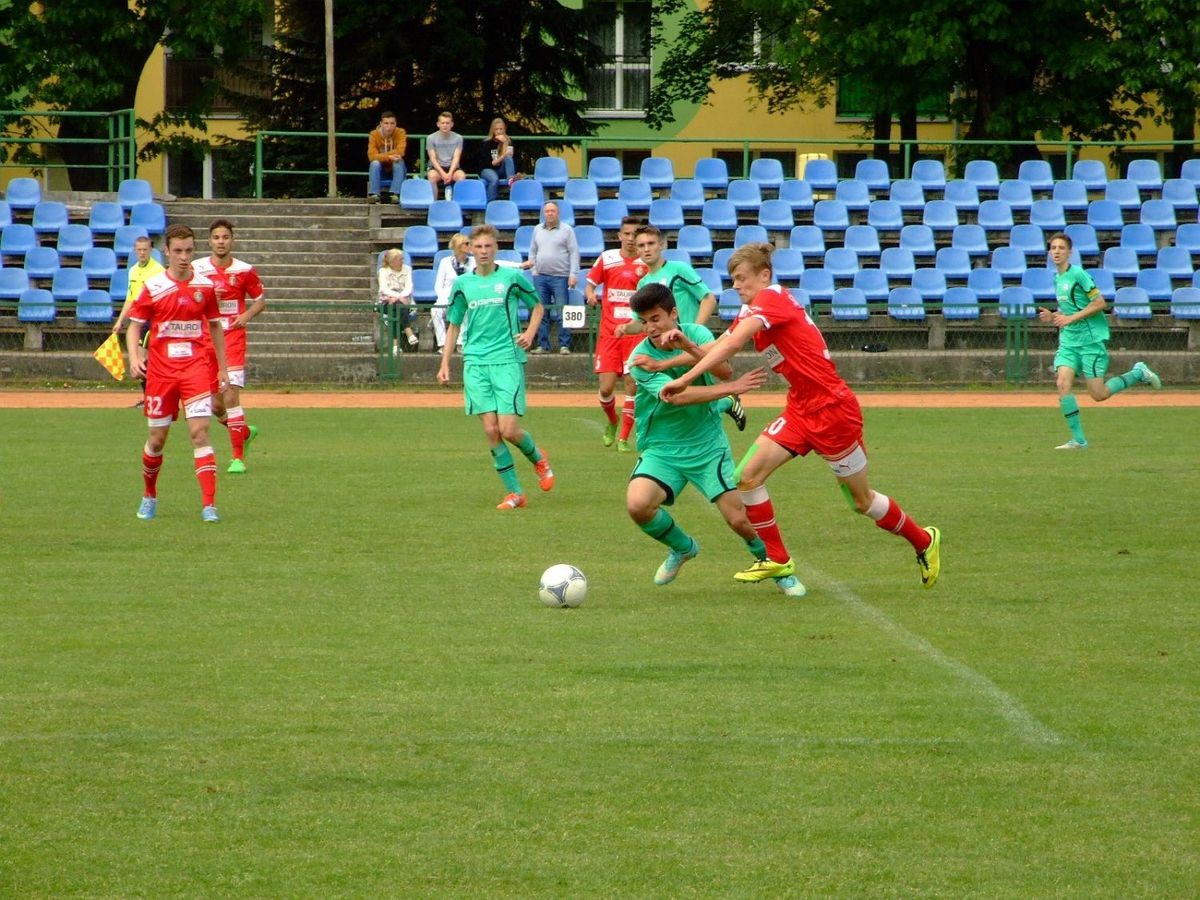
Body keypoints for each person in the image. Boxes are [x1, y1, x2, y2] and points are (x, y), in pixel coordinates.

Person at [659, 243, 942, 593]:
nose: (736, 286)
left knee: (861, 501)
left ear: (765, 276)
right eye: (733, 280)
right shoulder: (753, 311)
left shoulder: (771, 299)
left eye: (742, 278)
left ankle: (923, 539)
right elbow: (720, 351)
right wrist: (688, 345)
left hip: (833, 411)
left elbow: (730, 348)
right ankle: (777, 558)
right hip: (801, 408)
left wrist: (684, 379)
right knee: (746, 476)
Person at [624, 283, 805, 595]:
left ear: (673, 313)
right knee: (638, 505)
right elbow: (676, 397)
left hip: (708, 446)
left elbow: (723, 369)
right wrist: (731, 390)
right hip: (662, 448)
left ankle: (777, 566)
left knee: (739, 520)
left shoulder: (698, 334)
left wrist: (688, 347)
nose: (650, 328)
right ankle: (682, 548)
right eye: (644, 321)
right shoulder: (639, 358)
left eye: (656, 318)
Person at [437, 224, 555, 510]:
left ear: (496, 248)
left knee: (509, 430)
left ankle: (538, 458)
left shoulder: (512, 278)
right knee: (491, 431)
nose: (483, 251)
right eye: (478, 247)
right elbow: (453, 324)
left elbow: (538, 306)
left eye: (488, 246)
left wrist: (529, 333)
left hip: (506, 360)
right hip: (475, 362)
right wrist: (445, 363)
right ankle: (515, 493)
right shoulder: (463, 284)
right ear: (470, 249)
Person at [125, 224, 229, 523]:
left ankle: (209, 505)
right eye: (178, 251)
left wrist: (221, 367)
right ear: (167, 252)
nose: (184, 257)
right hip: (160, 373)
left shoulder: (205, 287)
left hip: (196, 368)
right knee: (157, 440)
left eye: (189, 251)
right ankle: (149, 495)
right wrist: (134, 357)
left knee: (200, 433)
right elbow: (134, 325)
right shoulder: (155, 287)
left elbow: (214, 326)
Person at [622, 223, 743, 451]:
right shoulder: (642, 284)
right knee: (675, 396)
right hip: (665, 347)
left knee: (688, 392)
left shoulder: (678, 269)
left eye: (650, 243)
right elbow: (640, 323)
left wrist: (691, 333)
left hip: (689, 343)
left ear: (661, 245)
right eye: (641, 246)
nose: (646, 249)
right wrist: (625, 328)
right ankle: (725, 402)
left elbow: (708, 298)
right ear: (636, 250)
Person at [1038, 232, 1162, 450]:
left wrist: (1068, 319)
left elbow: (1099, 303)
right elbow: (1069, 309)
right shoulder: (1057, 278)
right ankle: (1078, 440)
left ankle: (1138, 373)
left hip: (1090, 342)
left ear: (1069, 252)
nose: (1056, 251)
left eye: (1061, 248)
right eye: (1053, 248)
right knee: (1062, 383)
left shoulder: (1079, 275)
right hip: (1068, 341)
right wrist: (1053, 317)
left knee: (1099, 394)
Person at [192, 219, 266, 475]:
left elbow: (259, 300)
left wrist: (245, 317)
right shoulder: (197, 268)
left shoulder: (245, 270)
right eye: (216, 237)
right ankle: (244, 432)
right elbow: (190, 298)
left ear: (232, 240)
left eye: (225, 237)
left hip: (232, 338)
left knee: (231, 394)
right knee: (215, 405)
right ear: (210, 241)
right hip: (206, 340)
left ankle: (237, 458)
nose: (221, 241)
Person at [584, 216, 648, 451]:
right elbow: (590, 284)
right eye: (627, 234)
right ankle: (612, 421)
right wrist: (590, 294)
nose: (631, 239)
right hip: (610, 334)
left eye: (635, 235)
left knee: (632, 385)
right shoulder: (608, 259)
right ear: (619, 236)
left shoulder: (645, 262)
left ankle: (623, 438)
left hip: (635, 333)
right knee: (606, 388)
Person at [521, 201, 579, 354]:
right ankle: (543, 345)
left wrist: (573, 274)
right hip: (540, 277)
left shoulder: (567, 230)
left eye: (552, 211)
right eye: (547, 211)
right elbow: (532, 251)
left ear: (558, 212)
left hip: (560, 277)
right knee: (541, 312)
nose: (550, 213)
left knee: (562, 312)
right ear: (543, 213)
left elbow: (574, 253)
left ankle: (564, 345)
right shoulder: (537, 230)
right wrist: (534, 270)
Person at [113, 236, 164, 334]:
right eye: (139, 250)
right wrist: (119, 321)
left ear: (150, 250)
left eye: (145, 250)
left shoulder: (159, 270)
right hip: (137, 318)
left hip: (152, 318)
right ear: (135, 250)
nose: (142, 253)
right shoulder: (133, 270)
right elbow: (130, 298)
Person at [432, 234, 472, 352]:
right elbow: (438, 285)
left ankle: (460, 343)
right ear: (459, 246)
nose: (469, 246)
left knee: (465, 309)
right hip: (446, 297)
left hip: (466, 297)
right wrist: (444, 298)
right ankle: (443, 344)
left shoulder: (473, 262)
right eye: (466, 244)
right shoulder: (445, 262)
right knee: (435, 310)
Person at [376, 247, 418, 354]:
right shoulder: (383, 271)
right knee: (398, 307)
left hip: (404, 301)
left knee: (396, 310)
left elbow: (409, 287)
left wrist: (399, 297)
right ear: (392, 261)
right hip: (386, 302)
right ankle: (409, 332)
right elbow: (384, 288)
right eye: (400, 259)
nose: (402, 262)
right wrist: (398, 297)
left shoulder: (407, 269)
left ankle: (395, 346)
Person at [477, 117, 521, 203]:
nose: (499, 131)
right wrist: (505, 152)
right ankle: (489, 203)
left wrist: (505, 144)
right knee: (494, 179)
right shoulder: (488, 143)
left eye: (501, 129)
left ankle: (511, 180)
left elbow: (513, 159)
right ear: (492, 130)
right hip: (488, 169)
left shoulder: (509, 141)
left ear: (504, 129)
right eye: (496, 129)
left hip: (503, 170)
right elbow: (494, 163)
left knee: (508, 158)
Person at [367, 111, 407, 203]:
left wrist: (380, 156)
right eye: (386, 123)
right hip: (381, 169)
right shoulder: (374, 134)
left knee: (398, 161)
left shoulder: (401, 132)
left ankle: (395, 194)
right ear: (381, 124)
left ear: (396, 123)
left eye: (392, 123)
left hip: (396, 168)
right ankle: (374, 194)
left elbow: (400, 152)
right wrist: (389, 156)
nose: (389, 127)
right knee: (374, 163)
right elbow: (371, 156)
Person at [425, 111, 466, 198]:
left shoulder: (458, 138)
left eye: (447, 123)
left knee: (461, 176)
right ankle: (433, 203)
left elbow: (456, 157)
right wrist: (443, 174)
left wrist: (450, 173)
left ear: (452, 124)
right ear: (438, 124)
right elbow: (433, 158)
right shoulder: (430, 138)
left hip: (453, 167)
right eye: (443, 123)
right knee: (431, 176)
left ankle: (456, 204)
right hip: (436, 168)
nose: (445, 125)